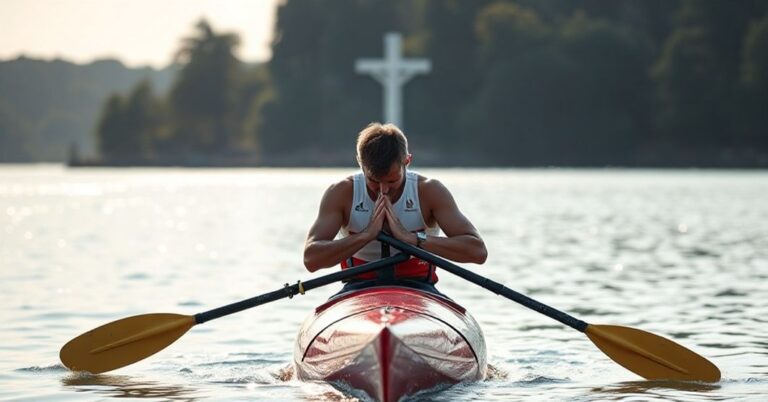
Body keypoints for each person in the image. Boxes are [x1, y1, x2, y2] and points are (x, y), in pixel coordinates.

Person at [303, 122, 487, 297]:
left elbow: (477, 252)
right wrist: (366, 235)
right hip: (356, 289)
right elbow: (311, 259)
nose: (383, 189)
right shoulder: (342, 193)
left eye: (392, 181)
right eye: (374, 181)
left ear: (407, 161)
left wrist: (412, 239)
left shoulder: (429, 191)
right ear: (360, 163)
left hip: (419, 288)